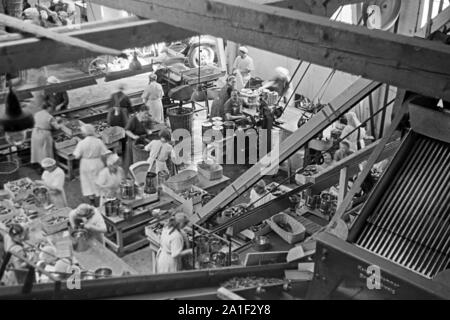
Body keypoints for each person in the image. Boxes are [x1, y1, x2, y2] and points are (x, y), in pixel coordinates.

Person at [73, 124, 108, 206]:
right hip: (97, 162)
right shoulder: (98, 141)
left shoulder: (81, 143)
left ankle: (91, 199)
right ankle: (100, 198)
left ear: (84, 133)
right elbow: (105, 152)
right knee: (99, 180)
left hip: (86, 163)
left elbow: (76, 156)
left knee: (87, 181)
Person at [30, 101, 62, 166]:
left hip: (35, 133)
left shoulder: (37, 113)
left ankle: (38, 164)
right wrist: (61, 123)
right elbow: (57, 127)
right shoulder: (49, 116)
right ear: (49, 107)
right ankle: (47, 166)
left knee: (38, 151)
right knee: (45, 152)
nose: (52, 109)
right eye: (51, 108)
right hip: (44, 135)